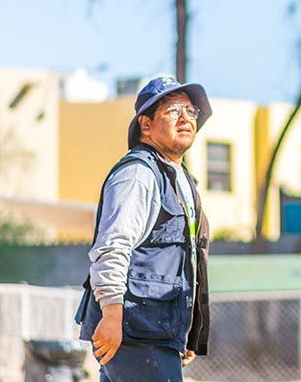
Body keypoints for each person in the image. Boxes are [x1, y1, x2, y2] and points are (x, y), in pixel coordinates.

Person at [75, 76, 212, 382]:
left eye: (191, 111)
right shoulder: (138, 173)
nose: (186, 117)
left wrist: (187, 329)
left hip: (155, 330)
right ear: (146, 125)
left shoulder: (181, 179)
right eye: (173, 110)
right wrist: (112, 315)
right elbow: (113, 246)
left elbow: (186, 262)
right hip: (136, 329)